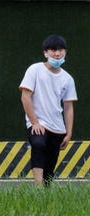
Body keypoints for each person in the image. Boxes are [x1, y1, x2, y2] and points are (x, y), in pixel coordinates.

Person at [19, 34, 77, 186]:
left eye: (61, 50)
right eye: (53, 50)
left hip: (58, 128)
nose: (57, 53)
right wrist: (34, 122)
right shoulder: (35, 69)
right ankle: (37, 189)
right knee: (38, 144)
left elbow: (68, 107)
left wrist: (69, 132)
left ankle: (45, 193)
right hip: (38, 123)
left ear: (65, 52)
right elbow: (25, 97)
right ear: (45, 52)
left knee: (50, 169)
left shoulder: (68, 79)